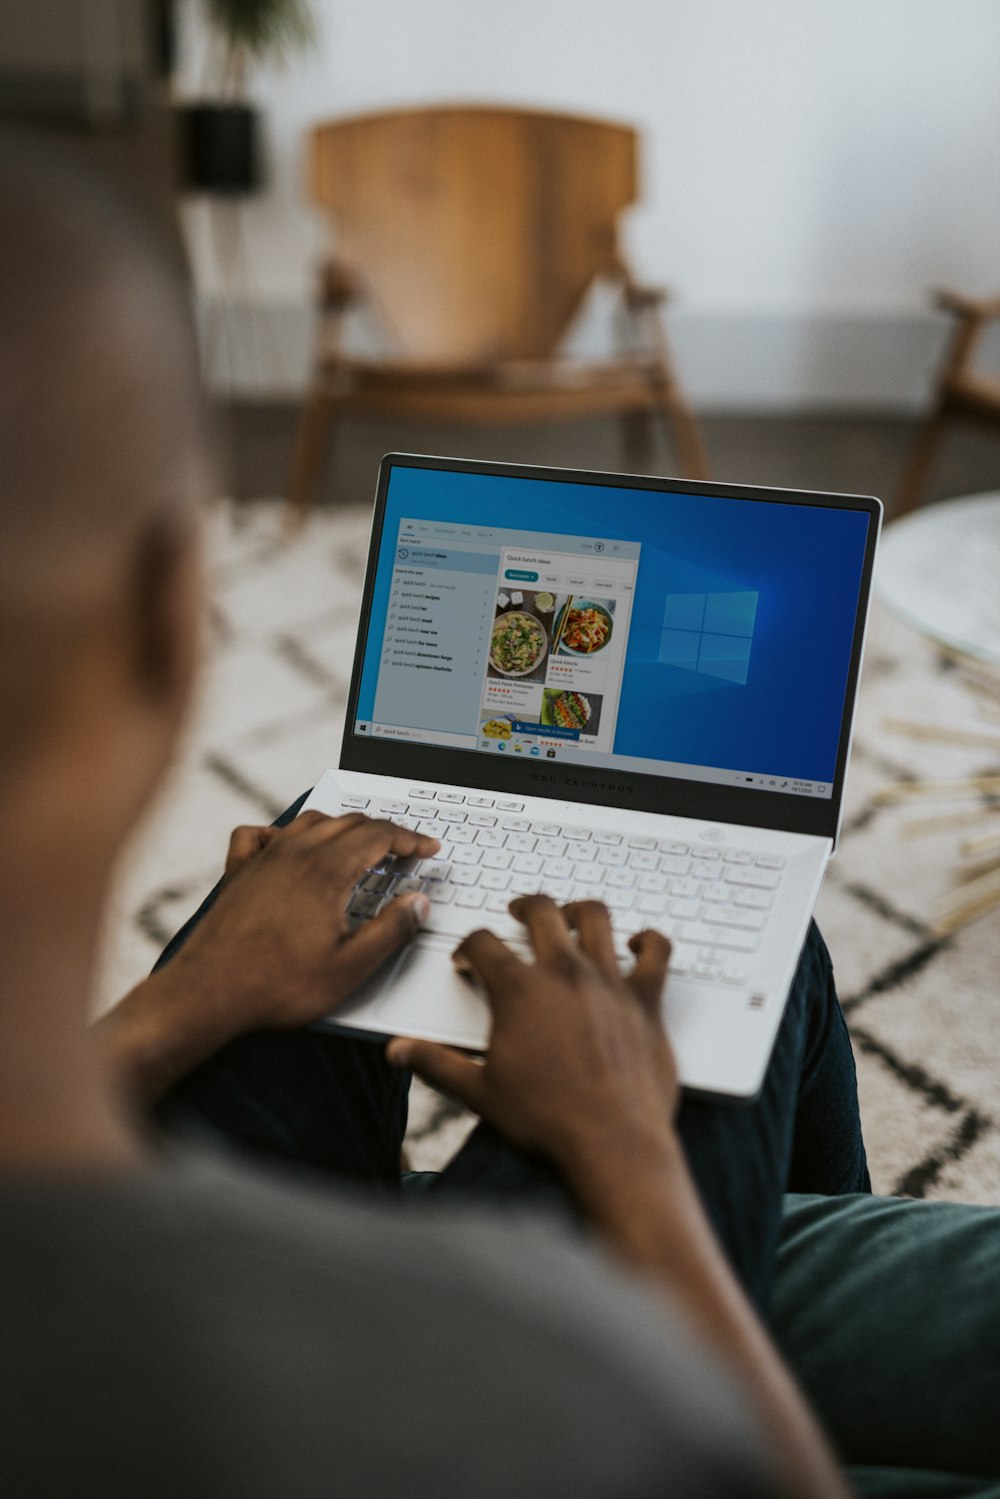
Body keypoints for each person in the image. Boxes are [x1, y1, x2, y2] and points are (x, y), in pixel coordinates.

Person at [1, 132, 996, 1499]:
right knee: (717, 977)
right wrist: (630, 1160)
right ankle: (772, 1243)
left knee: (329, 848)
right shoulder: (496, 1382)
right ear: (178, 627)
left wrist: (190, 1003)